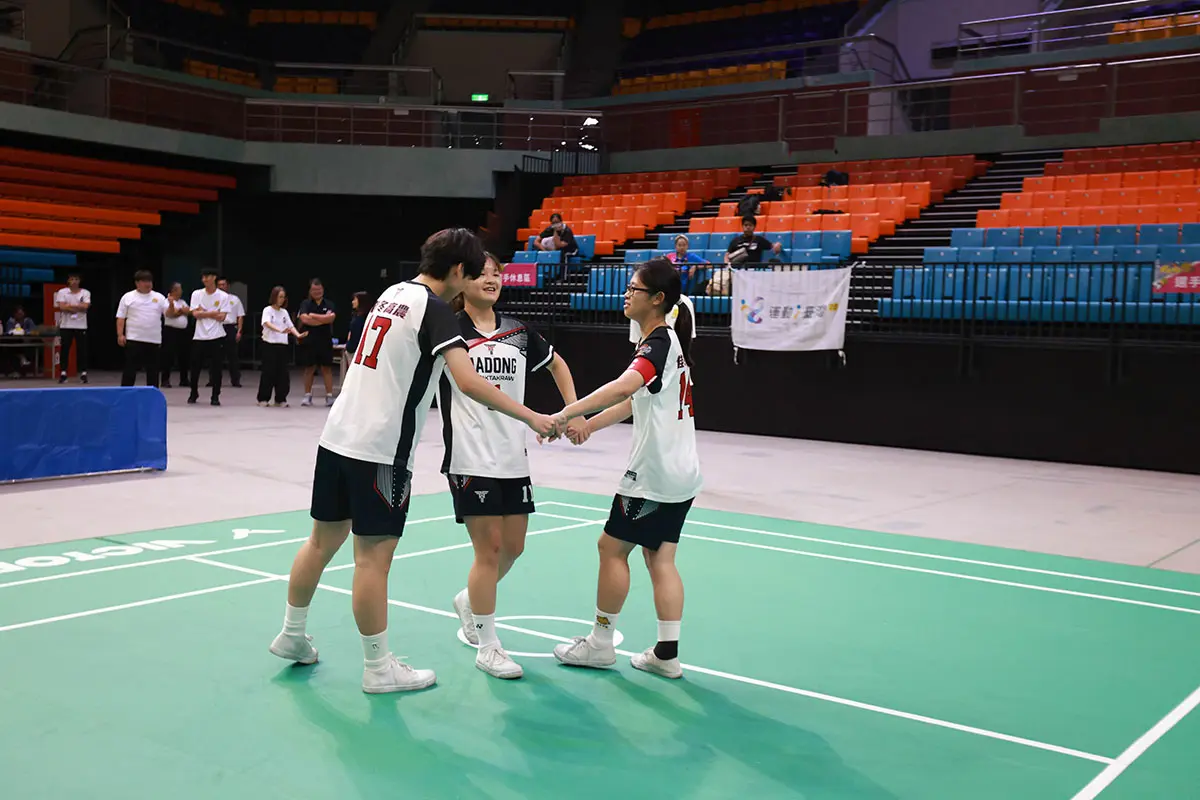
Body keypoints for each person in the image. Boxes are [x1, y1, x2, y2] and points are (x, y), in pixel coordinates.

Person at [268, 228, 557, 695]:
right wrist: (532, 416)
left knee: (320, 542)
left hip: (337, 437)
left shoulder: (392, 293)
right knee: (372, 559)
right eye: (472, 272)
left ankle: (292, 633)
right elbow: (468, 381)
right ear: (458, 271)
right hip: (381, 452)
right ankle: (378, 668)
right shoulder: (437, 311)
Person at [549, 257, 702, 680]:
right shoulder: (668, 344)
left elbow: (622, 388)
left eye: (634, 289)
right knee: (660, 557)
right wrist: (588, 425)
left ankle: (600, 644)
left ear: (657, 299)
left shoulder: (658, 344)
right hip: (683, 474)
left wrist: (565, 413)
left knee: (611, 548)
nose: (626, 294)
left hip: (652, 476)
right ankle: (666, 654)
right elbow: (634, 403)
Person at [440, 252, 588, 680]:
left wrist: (572, 411)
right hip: (470, 456)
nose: (491, 279)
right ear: (463, 281)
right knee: (487, 551)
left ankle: (469, 600)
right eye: (481, 274)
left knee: (514, 547)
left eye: (497, 274)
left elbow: (557, 364)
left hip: (512, 457)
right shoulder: (449, 332)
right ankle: (488, 646)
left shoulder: (519, 332)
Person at [115, 270, 167, 387]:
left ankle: (152, 395)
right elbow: (121, 317)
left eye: (149, 281)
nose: (148, 284)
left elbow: (168, 314)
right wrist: (120, 334)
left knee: (153, 371)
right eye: (144, 281)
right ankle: (126, 393)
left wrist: (172, 305)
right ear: (137, 283)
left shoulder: (159, 297)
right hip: (134, 338)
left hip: (153, 339)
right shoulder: (128, 297)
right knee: (130, 370)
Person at [257, 285, 306, 407]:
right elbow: (267, 323)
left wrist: (298, 335)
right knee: (268, 372)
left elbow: (290, 326)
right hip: (269, 344)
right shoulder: (267, 310)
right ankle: (263, 398)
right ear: (274, 297)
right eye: (280, 297)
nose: (282, 299)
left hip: (282, 345)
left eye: (283, 297)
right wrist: (279, 330)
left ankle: (280, 398)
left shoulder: (284, 312)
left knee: (283, 373)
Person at [188, 269, 230, 406]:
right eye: (203, 277)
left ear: (214, 278)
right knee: (195, 367)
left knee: (216, 368)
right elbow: (195, 314)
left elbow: (222, 316)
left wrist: (204, 312)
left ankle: (215, 396)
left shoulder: (223, 296)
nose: (205, 279)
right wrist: (212, 313)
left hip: (216, 336)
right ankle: (193, 392)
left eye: (207, 277)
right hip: (199, 336)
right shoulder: (197, 294)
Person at [296, 278, 336, 407]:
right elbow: (304, 319)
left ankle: (329, 396)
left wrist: (313, 315)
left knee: (326, 368)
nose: (317, 292)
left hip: (325, 340)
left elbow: (331, 319)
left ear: (323, 289)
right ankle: (307, 396)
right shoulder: (305, 303)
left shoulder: (329, 303)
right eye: (314, 290)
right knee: (309, 368)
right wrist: (322, 319)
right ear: (310, 290)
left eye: (319, 289)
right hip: (310, 341)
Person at [54, 273, 90, 384]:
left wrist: (69, 306)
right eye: (72, 279)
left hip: (81, 325)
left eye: (76, 279)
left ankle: (83, 373)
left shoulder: (85, 292)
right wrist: (78, 307)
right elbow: (62, 307)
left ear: (79, 281)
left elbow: (86, 306)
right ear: (68, 281)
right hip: (66, 325)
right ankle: (63, 373)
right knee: (65, 349)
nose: (74, 281)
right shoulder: (62, 292)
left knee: (82, 350)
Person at [216, 277, 245, 388]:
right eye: (219, 285)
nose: (221, 287)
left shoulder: (234, 299)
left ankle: (235, 380)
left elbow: (240, 316)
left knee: (233, 355)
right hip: (218, 327)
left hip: (230, 327)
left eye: (223, 284)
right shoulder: (214, 299)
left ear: (227, 286)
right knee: (216, 355)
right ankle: (213, 380)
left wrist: (239, 331)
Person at [161, 282, 190, 389]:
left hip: (183, 332)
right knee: (168, 356)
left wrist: (180, 311)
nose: (181, 291)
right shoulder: (166, 301)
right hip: (170, 331)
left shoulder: (182, 302)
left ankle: (184, 379)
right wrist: (181, 311)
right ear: (174, 290)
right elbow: (170, 314)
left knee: (184, 355)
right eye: (180, 289)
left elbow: (189, 311)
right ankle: (165, 379)